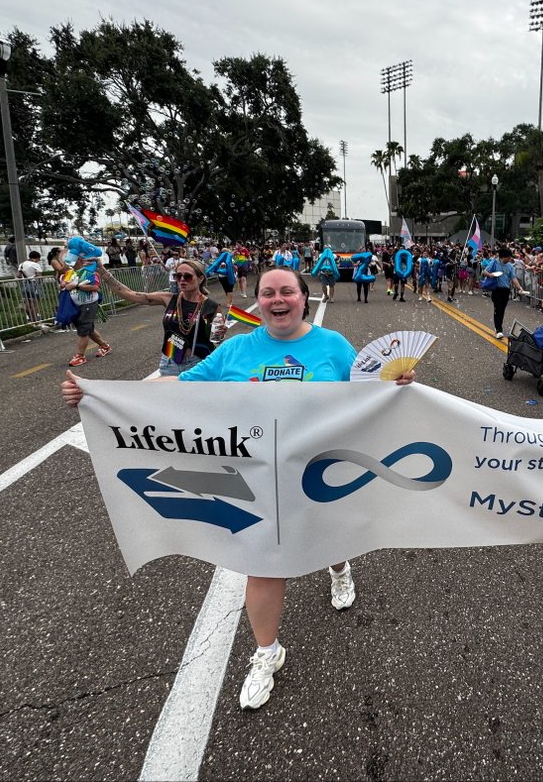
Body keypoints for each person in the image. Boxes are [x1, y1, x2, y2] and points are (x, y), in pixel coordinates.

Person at [61, 267, 414, 710]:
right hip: (255, 482)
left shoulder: (334, 347)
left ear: (304, 298)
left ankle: (339, 571)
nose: (277, 299)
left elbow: (371, 392)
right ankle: (268, 652)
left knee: (329, 540)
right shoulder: (236, 350)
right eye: (268, 293)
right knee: (263, 565)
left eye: (287, 291)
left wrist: (397, 384)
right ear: (260, 301)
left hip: (320, 473)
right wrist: (98, 394)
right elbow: (178, 386)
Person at [98, 257, 220, 376]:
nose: (182, 280)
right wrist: (101, 270)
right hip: (170, 361)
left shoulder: (211, 306)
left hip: (198, 362)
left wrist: (220, 333)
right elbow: (129, 294)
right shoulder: (169, 298)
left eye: (187, 276)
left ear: (200, 279)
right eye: (178, 276)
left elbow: (217, 339)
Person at [62, 253, 112, 367]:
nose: (69, 262)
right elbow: (63, 284)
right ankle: (104, 346)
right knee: (87, 329)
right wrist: (63, 283)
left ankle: (80, 356)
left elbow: (95, 287)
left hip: (89, 303)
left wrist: (77, 286)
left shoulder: (90, 272)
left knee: (84, 329)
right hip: (75, 305)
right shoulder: (70, 273)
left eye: (72, 259)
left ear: (79, 259)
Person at [484, 247, 528, 339]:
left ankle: (498, 327)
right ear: (503, 257)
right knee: (498, 309)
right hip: (497, 290)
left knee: (502, 310)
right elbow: (485, 271)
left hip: (505, 290)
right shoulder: (494, 263)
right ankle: (498, 329)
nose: (510, 259)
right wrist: (490, 275)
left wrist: (520, 287)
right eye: (508, 257)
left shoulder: (510, 266)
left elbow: (513, 278)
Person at [17, 250, 45, 324]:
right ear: (36, 257)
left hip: (25, 285)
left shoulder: (22, 264)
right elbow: (39, 276)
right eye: (39, 259)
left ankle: (31, 319)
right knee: (34, 304)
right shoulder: (35, 265)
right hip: (34, 285)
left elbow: (18, 275)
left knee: (27, 304)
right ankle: (36, 320)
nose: (39, 260)